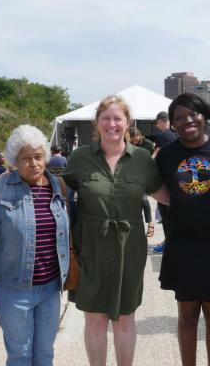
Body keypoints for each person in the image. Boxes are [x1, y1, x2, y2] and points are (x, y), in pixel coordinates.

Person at [62, 95, 168, 366]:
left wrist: (204, 196)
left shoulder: (143, 159)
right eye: (106, 118)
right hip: (91, 247)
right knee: (94, 318)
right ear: (97, 122)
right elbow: (58, 190)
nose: (112, 124)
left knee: (124, 318)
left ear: (128, 123)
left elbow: (166, 194)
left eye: (117, 118)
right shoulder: (80, 157)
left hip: (128, 247)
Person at [155, 93, 210, 366]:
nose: (187, 121)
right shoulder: (167, 155)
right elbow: (150, 185)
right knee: (187, 316)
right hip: (183, 243)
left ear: (204, 115)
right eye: (179, 118)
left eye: (193, 114)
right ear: (172, 124)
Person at [0, 125, 70, 364]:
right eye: (26, 158)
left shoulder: (58, 186)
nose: (35, 163)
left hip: (50, 289)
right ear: (15, 160)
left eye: (39, 157)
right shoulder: (0, 190)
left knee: (45, 353)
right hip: (13, 290)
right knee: (20, 355)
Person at [152, 110, 177, 253]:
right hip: (177, 179)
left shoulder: (162, 136)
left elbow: (156, 155)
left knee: (166, 216)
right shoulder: (176, 135)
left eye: (157, 124)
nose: (157, 126)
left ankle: (169, 243)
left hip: (164, 180)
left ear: (161, 121)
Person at [129, 127, 156, 237]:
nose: (135, 142)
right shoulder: (128, 144)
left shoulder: (148, 144)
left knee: (143, 199)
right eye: (132, 140)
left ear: (140, 135)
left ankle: (150, 222)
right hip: (131, 175)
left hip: (144, 175)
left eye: (136, 139)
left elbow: (157, 154)